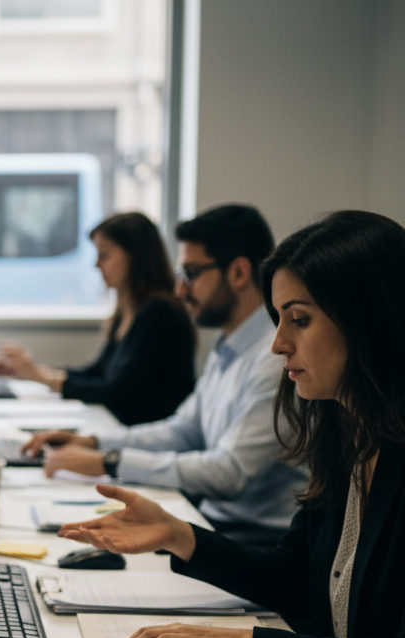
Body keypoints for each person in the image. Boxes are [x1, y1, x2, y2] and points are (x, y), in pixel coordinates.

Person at [59, 210, 405, 638]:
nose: (278, 344)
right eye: (278, 319)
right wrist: (180, 536)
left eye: (300, 320)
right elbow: (295, 577)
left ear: (366, 319)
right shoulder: (348, 437)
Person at [23, 204, 307, 539]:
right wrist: (93, 442)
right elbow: (183, 430)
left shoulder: (274, 358)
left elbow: (229, 473)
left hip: (257, 538)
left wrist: (109, 461)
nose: (180, 290)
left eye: (191, 274)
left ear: (239, 274)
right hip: (215, 520)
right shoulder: (228, 345)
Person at [0, 212, 195, 425]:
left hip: (142, 434)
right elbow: (97, 372)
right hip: (119, 425)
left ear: (135, 257)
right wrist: (34, 371)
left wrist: (42, 378)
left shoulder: (160, 313)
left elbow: (115, 392)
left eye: (104, 255)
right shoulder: (127, 310)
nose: (97, 265)